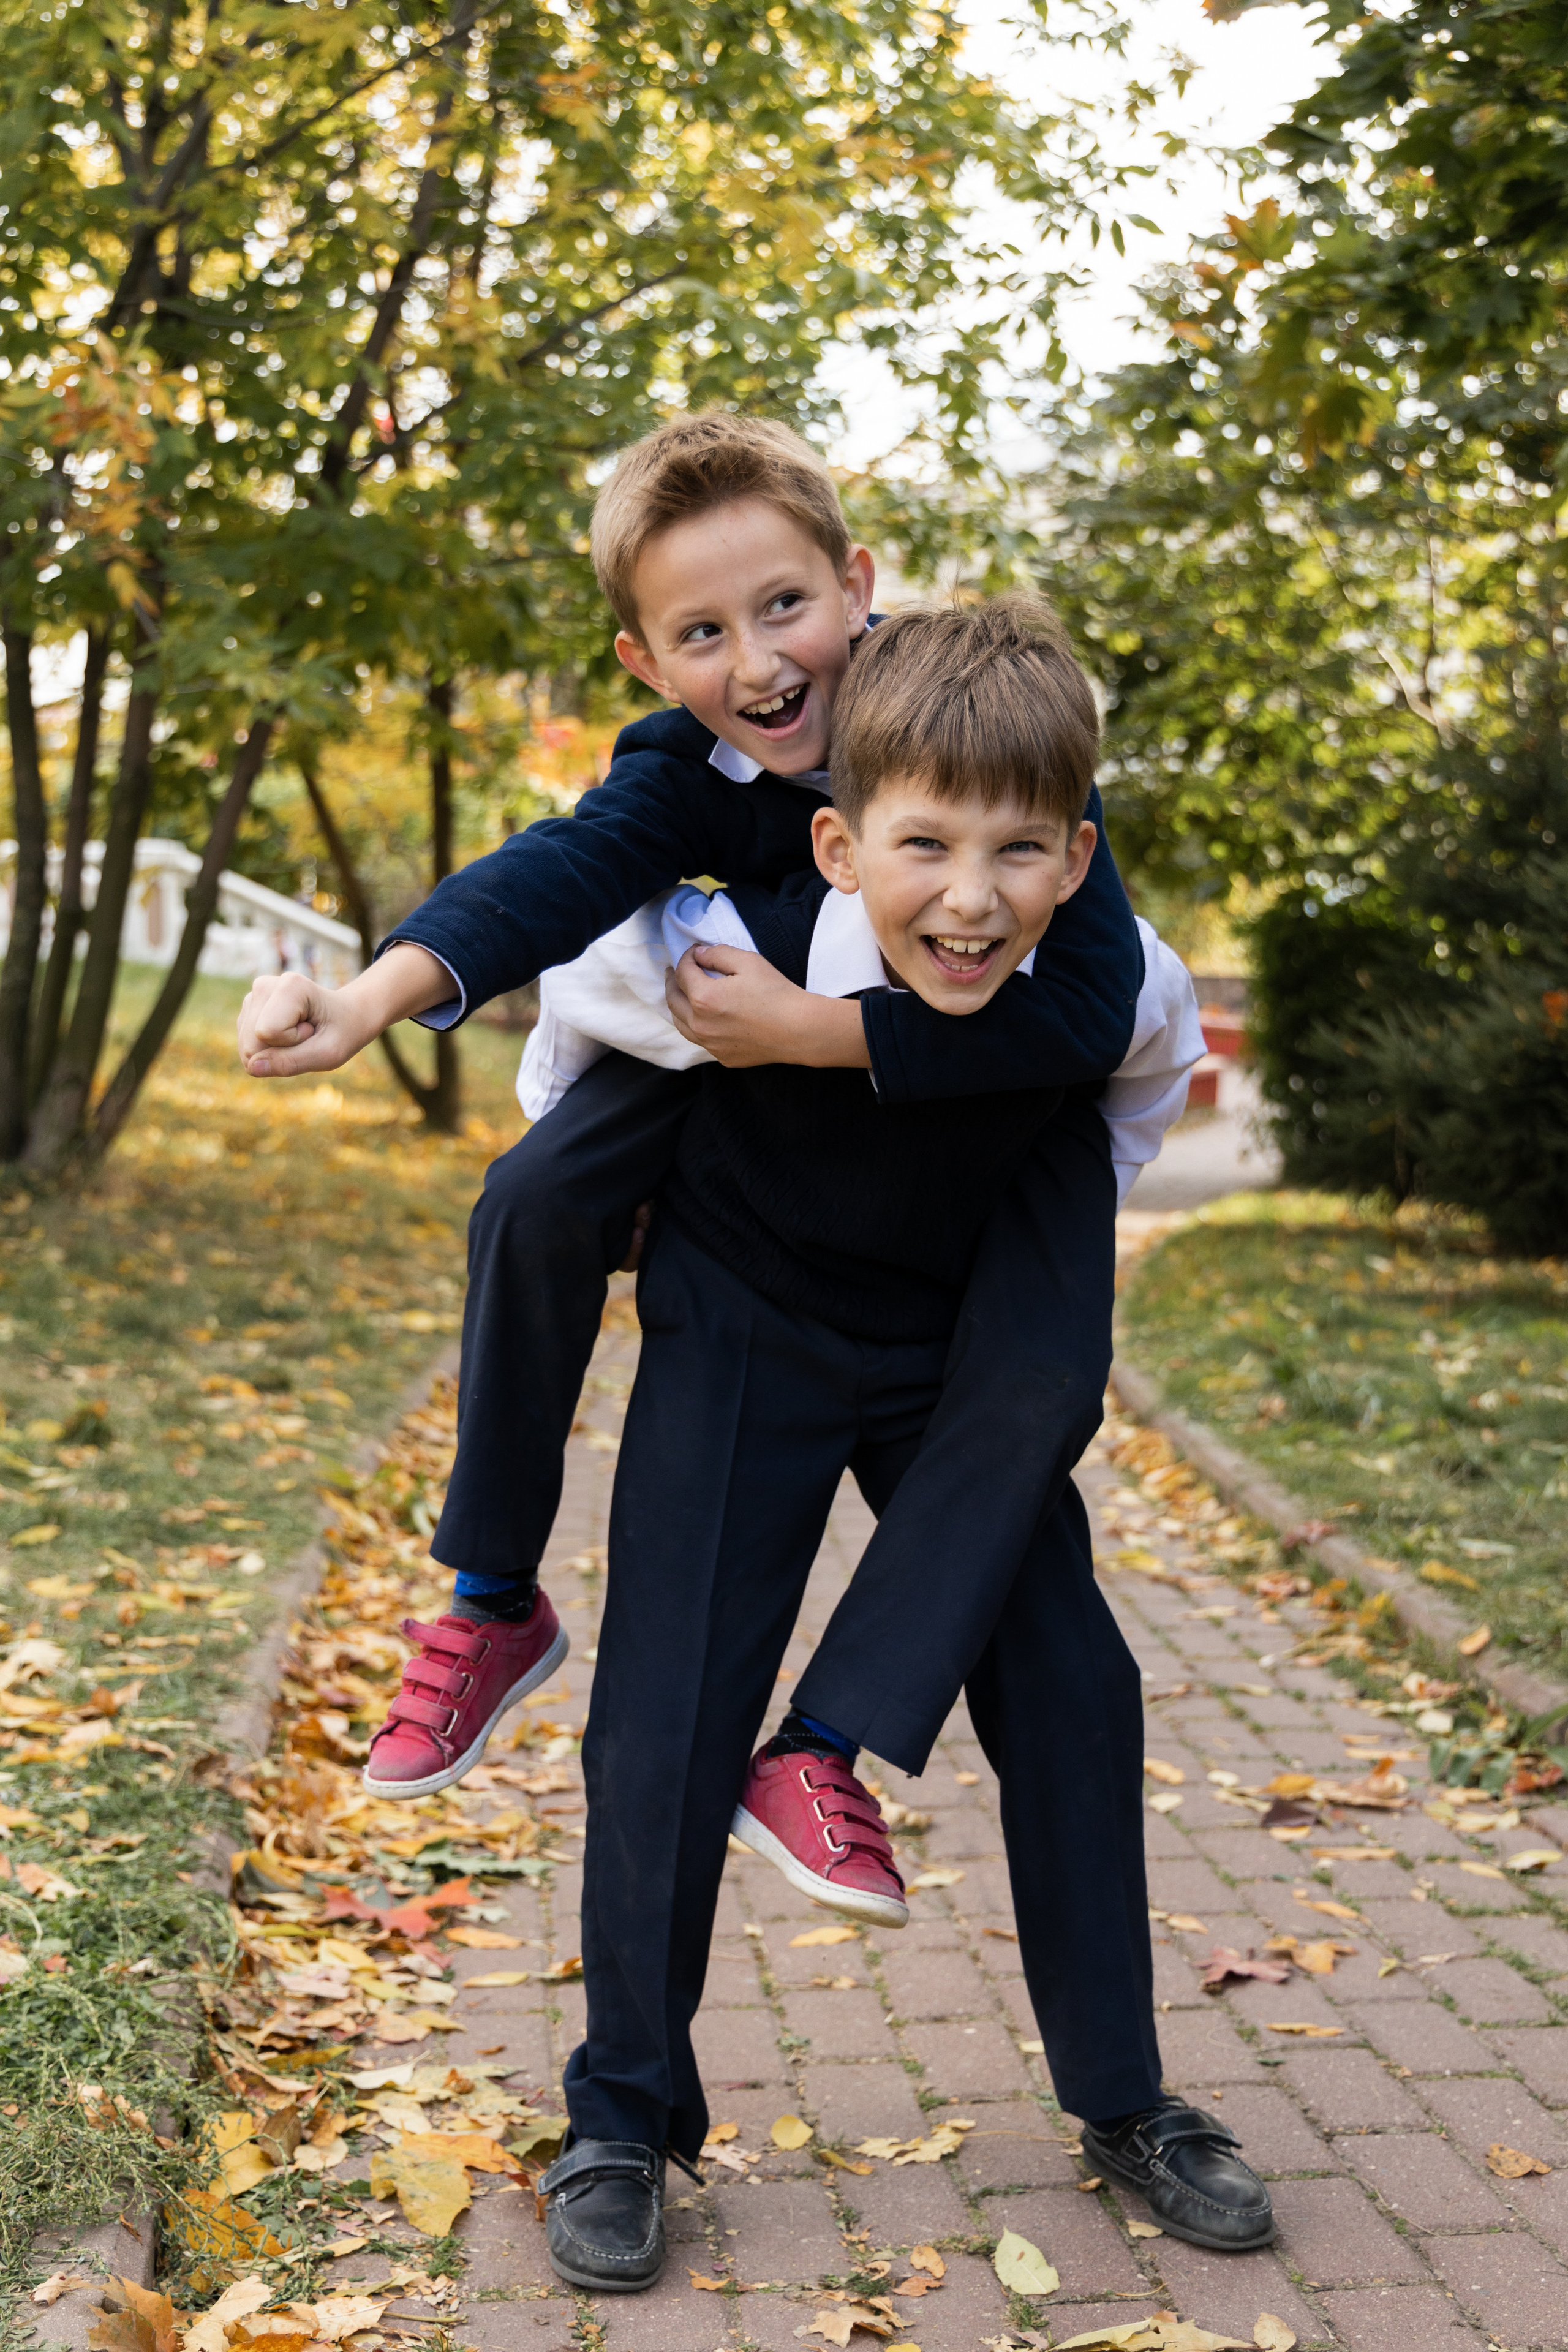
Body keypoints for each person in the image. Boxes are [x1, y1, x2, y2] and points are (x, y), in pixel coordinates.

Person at [235, 413, 1144, 1808]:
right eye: (703, 634)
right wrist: (364, 1004)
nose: (762, 664)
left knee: (1035, 1399)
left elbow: (1085, 1000)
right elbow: (553, 874)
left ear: (855, 581)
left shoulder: (967, 719)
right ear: (646, 662)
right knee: (528, 1200)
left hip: (944, 1113)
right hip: (693, 1066)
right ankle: (491, 1599)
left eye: (784, 607)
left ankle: (826, 1744)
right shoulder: (679, 770)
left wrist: (814, 1033)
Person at [537, 601, 1273, 2293]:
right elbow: (578, 1037)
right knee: (668, 1704)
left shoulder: (1113, 978)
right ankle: (622, 2113)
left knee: (1076, 1687)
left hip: (955, 1346)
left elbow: (1130, 1114)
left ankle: (1125, 2098)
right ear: (842, 840)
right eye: (925, 845)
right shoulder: (738, 934)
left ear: (1076, 861)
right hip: (753, 1315)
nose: (970, 897)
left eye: (1018, 854)